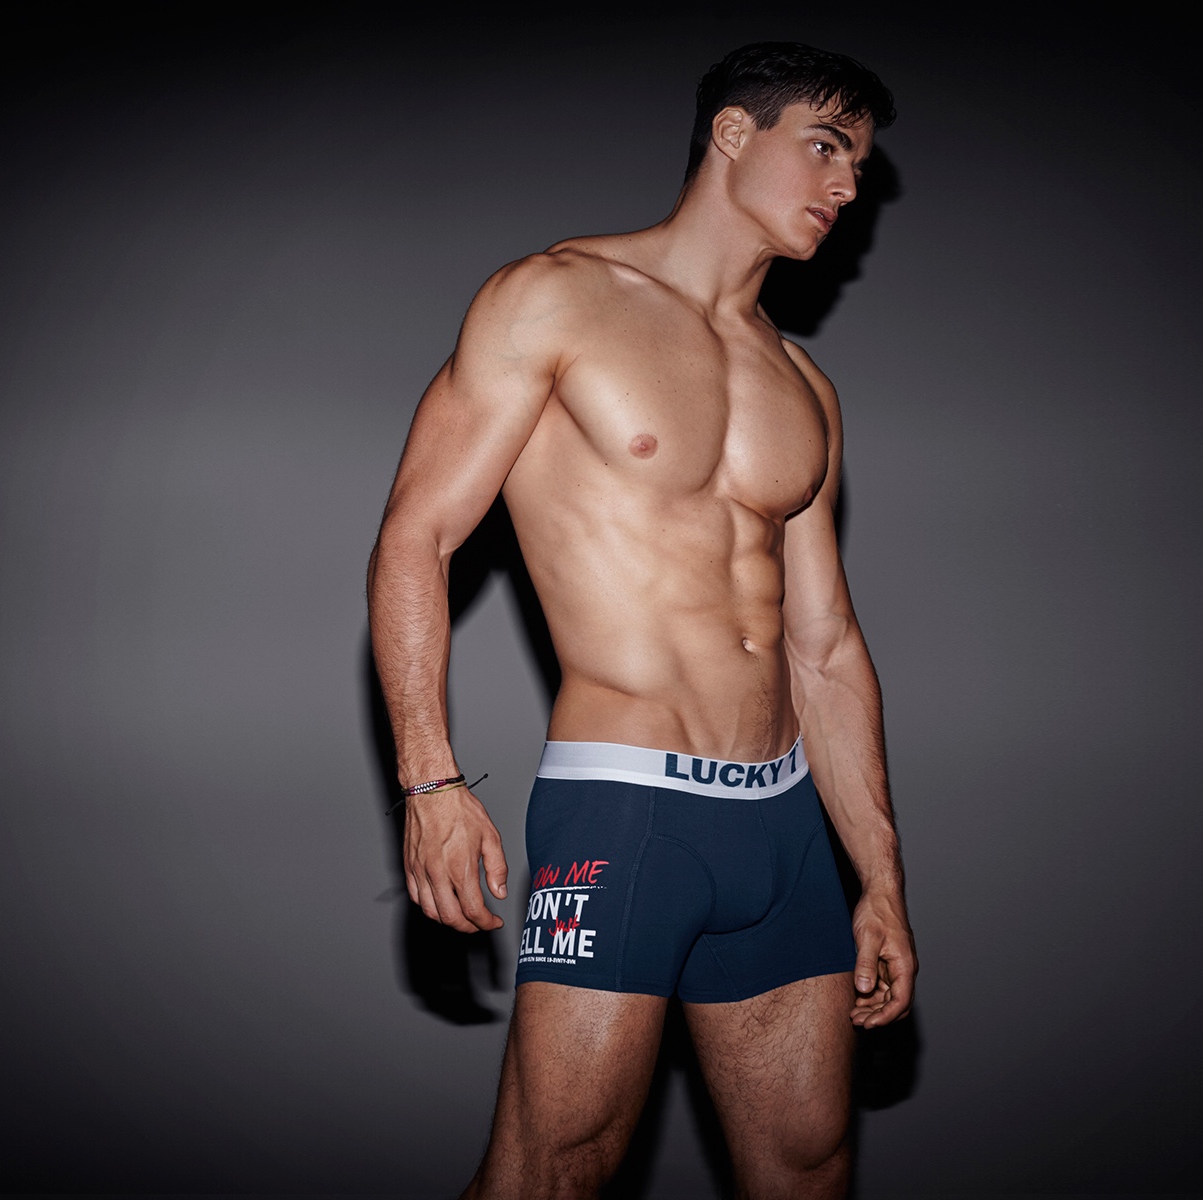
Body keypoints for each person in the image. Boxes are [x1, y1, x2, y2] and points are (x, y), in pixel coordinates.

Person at [367, 41, 915, 1199]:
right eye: (826, 147)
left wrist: (880, 877)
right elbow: (418, 536)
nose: (845, 185)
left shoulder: (804, 385)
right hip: (628, 807)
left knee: (808, 1168)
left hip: (783, 827)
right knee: (555, 1172)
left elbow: (824, 645)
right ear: (733, 133)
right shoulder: (552, 298)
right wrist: (428, 780)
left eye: (859, 167)